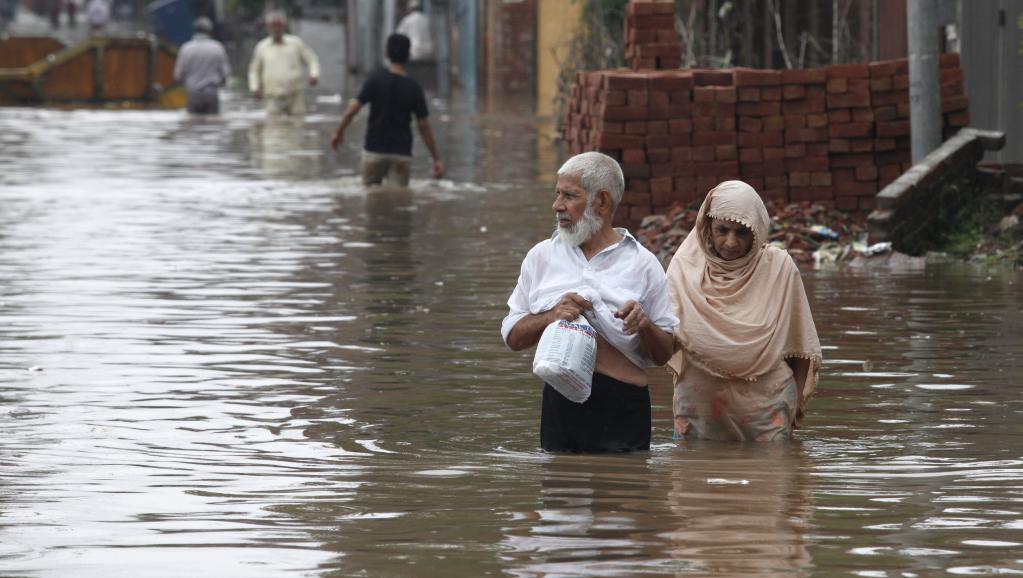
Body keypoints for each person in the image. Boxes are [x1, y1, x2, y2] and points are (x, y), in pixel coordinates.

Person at [501, 152, 677, 453]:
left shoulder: (643, 264)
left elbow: (664, 355)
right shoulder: (541, 256)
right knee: (560, 491)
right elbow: (512, 338)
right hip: (559, 404)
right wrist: (551, 316)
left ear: (602, 202)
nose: (557, 206)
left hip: (623, 405)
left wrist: (644, 324)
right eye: (557, 194)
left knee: (624, 493)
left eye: (569, 196)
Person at [666, 180, 822, 442]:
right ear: (707, 228)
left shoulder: (779, 268)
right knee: (692, 477)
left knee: (772, 480)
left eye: (742, 232)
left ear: (758, 232)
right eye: (722, 230)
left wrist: (794, 402)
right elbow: (664, 340)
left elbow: (800, 344)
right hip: (699, 410)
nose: (730, 242)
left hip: (767, 410)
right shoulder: (684, 268)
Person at [329, 33, 443, 186]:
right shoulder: (414, 88)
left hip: (374, 151)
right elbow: (424, 126)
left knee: (371, 199)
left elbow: (352, 110)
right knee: (400, 201)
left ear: (386, 53)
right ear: (408, 55)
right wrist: (436, 158)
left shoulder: (375, 80)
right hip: (401, 154)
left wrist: (338, 132)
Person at [247, 11, 320, 117]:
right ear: (268, 27)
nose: (276, 29)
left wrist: (314, 74)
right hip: (272, 96)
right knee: (273, 126)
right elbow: (254, 70)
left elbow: (312, 59)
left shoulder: (295, 43)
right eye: (273, 26)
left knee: (297, 124)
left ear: (283, 26)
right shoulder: (262, 47)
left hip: (295, 95)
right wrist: (254, 87)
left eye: (278, 26)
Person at [174, 17, 230, 115]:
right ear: (209, 31)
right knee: (212, 125)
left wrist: (187, 85)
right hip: (211, 93)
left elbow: (178, 75)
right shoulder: (217, 47)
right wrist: (220, 85)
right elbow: (225, 74)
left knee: (193, 125)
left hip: (193, 93)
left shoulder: (186, 48)